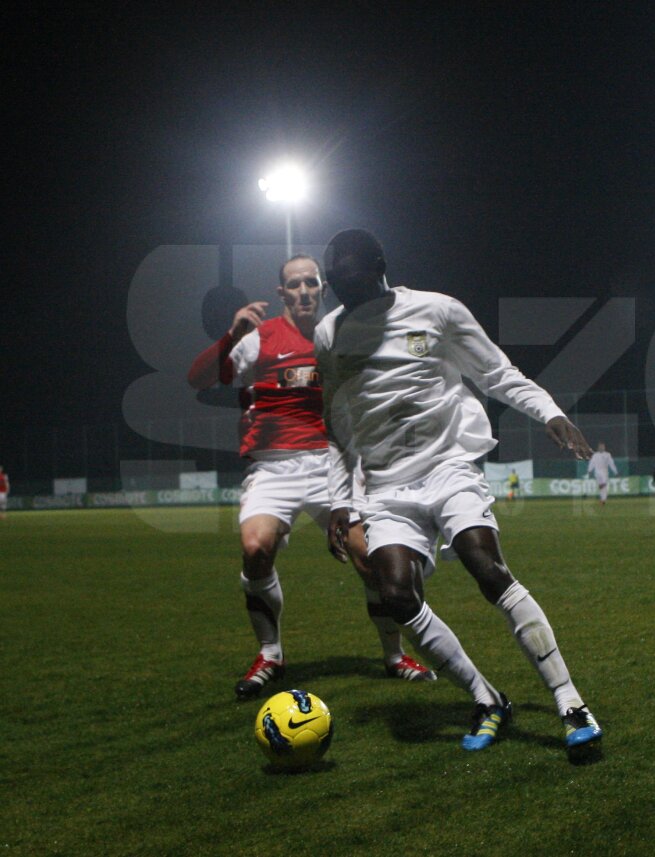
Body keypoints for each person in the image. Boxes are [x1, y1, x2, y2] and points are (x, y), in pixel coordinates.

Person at [315, 228, 602, 754]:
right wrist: (340, 498)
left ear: (379, 266)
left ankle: (570, 701)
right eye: (335, 282)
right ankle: (486, 698)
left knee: (484, 565)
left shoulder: (438, 311)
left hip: (448, 466)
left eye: (349, 279)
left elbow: (496, 373)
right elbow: (336, 422)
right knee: (396, 595)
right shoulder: (329, 335)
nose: (341, 290)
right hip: (385, 486)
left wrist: (550, 413)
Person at [187, 254, 434, 700]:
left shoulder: (339, 334)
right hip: (273, 466)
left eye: (311, 283)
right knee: (255, 548)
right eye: (295, 284)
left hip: (330, 462)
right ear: (281, 292)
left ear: (323, 288)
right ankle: (270, 654)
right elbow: (198, 379)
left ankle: (395, 656)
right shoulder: (259, 339)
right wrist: (231, 335)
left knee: (370, 558)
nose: (304, 291)